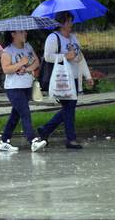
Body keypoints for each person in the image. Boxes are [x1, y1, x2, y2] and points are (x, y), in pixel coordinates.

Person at [37, 11, 94, 149]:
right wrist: (65, 56)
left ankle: (45, 130)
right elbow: (48, 56)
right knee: (69, 107)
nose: (71, 24)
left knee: (69, 108)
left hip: (74, 77)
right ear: (61, 23)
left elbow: (80, 58)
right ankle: (71, 139)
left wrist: (88, 76)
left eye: (71, 21)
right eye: (68, 21)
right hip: (61, 78)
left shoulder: (73, 38)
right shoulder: (53, 37)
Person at [0, 30, 47, 152]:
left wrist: (26, 69)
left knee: (15, 115)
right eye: (21, 32)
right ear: (13, 34)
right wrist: (20, 63)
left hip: (26, 85)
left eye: (25, 32)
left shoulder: (28, 46)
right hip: (13, 87)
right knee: (25, 112)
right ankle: (33, 140)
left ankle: (4, 140)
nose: (24, 34)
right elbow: (6, 69)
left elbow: (36, 62)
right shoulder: (7, 51)